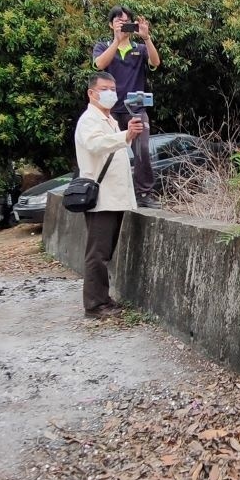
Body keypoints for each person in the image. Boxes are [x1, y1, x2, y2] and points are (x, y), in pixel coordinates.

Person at [76, 71, 145, 317]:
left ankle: (103, 299)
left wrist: (127, 133)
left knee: (105, 252)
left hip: (113, 197)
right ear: (91, 93)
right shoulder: (89, 120)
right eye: (105, 89)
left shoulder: (110, 120)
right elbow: (96, 145)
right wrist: (125, 135)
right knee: (98, 253)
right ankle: (95, 305)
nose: (110, 94)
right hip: (101, 198)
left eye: (113, 89)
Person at [92, 5, 160, 208]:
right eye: (118, 21)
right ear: (111, 25)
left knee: (143, 149)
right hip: (109, 111)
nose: (122, 25)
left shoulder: (139, 49)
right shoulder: (103, 46)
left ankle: (144, 194)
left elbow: (156, 62)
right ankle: (107, 192)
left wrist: (146, 38)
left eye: (126, 21)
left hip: (136, 110)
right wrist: (117, 40)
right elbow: (99, 65)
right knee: (111, 151)